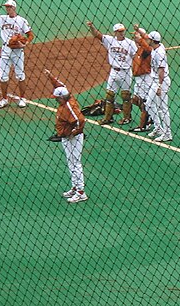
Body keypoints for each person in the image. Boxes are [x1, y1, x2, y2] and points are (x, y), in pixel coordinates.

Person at [45, 69, 87, 204]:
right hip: (67, 138)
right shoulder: (67, 96)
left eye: (57, 98)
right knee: (71, 162)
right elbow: (60, 86)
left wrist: (72, 133)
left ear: (62, 98)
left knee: (76, 163)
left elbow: (81, 121)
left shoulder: (69, 106)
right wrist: (51, 77)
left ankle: (81, 192)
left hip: (73, 139)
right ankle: (75, 187)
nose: (56, 100)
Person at [0, 0, 34, 108]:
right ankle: (4, 99)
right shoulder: (2, 18)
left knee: (20, 75)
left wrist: (25, 43)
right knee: (3, 77)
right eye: (6, 7)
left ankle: (22, 99)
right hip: (5, 50)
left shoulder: (22, 21)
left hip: (17, 51)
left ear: (14, 8)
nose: (7, 8)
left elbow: (30, 35)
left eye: (9, 7)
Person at [86, 21, 137, 125]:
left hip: (126, 72)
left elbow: (136, 56)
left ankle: (127, 117)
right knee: (109, 96)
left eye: (123, 31)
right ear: (115, 32)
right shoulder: (110, 40)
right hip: (113, 71)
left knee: (126, 96)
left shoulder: (130, 43)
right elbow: (97, 35)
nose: (122, 33)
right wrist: (91, 26)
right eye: (119, 31)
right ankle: (108, 118)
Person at [145, 31, 172, 142]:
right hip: (155, 81)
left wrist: (159, 86)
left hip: (161, 81)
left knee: (163, 108)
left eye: (148, 39)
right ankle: (159, 128)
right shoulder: (157, 47)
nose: (147, 40)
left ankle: (167, 133)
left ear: (152, 40)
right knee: (149, 104)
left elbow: (161, 70)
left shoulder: (159, 52)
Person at [130, 24, 154, 133]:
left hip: (145, 77)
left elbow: (148, 48)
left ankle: (144, 125)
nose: (134, 38)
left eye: (136, 37)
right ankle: (150, 116)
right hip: (139, 78)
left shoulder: (146, 49)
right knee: (135, 99)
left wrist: (140, 39)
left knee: (144, 102)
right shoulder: (139, 48)